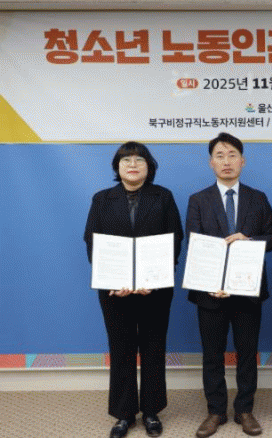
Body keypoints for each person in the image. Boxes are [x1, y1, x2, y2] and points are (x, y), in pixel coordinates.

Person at [84, 142, 184, 438]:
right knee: (121, 349)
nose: (132, 164)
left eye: (139, 160)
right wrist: (112, 281)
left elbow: (175, 239)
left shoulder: (163, 196)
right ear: (117, 167)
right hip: (115, 292)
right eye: (126, 160)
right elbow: (92, 240)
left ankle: (152, 410)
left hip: (155, 290)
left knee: (154, 348)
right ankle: (124, 413)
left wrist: (154, 278)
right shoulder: (102, 199)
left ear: (148, 167)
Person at [186, 132, 272, 438]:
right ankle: (215, 411)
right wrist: (210, 281)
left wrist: (248, 240)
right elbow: (194, 244)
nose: (226, 161)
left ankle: (244, 409)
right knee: (212, 354)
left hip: (246, 290)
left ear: (242, 161)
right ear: (211, 163)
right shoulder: (198, 200)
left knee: (247, 352)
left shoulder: (258, 198)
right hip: (210, 292)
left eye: (232, 155)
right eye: (220, 156)